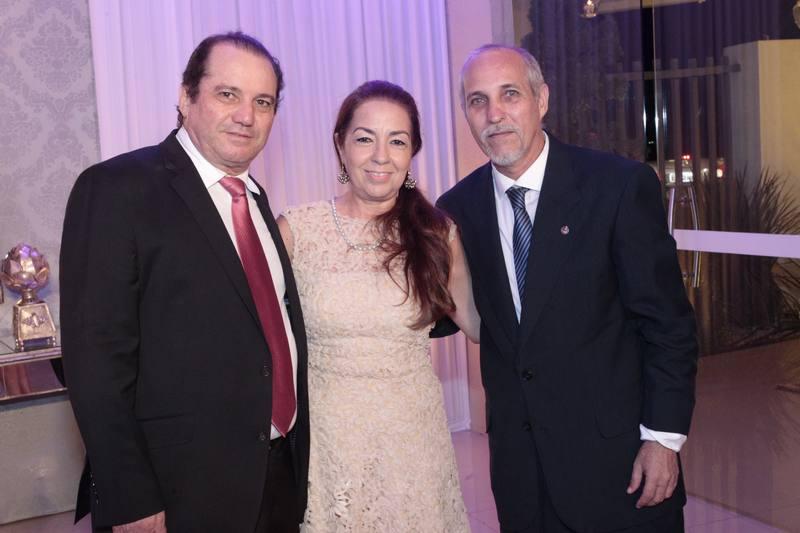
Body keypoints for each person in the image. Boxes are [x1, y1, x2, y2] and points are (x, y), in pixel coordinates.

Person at [437, 44, 698, 532]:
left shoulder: (617, 186)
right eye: (477, 101)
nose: (494, 114)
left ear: (542, 99)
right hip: (523, 477)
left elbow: (668, 325)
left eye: (510, 94)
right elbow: (438, 313)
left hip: (620, 468)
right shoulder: (456, 210)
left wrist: (663, 439)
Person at [60, 32, 309, 532]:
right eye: (228, 94)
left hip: (276, 476)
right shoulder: (116, 189)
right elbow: (95, 361)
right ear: (185, 96)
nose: (247, 115)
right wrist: (130, 496)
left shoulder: (256, 200)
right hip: (175, 492)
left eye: (263, 102)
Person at [276, 80, 477, 531]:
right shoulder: (297, 230)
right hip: (330, 440)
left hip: (412, 438)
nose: (381, 156)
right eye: (365, 138)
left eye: (397, 141)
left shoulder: (437, 233)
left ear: (412, 153)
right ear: (340, 145)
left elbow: (479, 324)